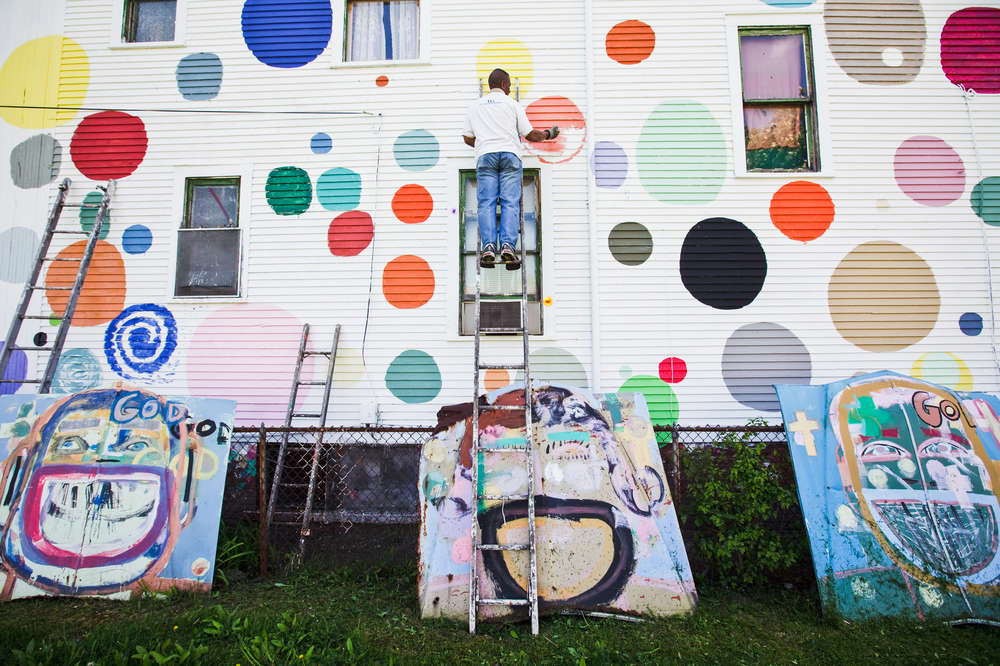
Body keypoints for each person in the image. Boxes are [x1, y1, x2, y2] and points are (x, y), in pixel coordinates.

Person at [462, 68, 559, 269]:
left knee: (486, 203)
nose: (508, 90)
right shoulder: (512, 104)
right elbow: (529, 134)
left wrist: (484, 144)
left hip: (485, 156)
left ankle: (488, 247)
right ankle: (508, 246)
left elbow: (467, 138)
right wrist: (548, 134)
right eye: (508, 87)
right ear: (504, 85)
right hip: (510, 155)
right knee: (510, 202)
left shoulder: (474, 107)